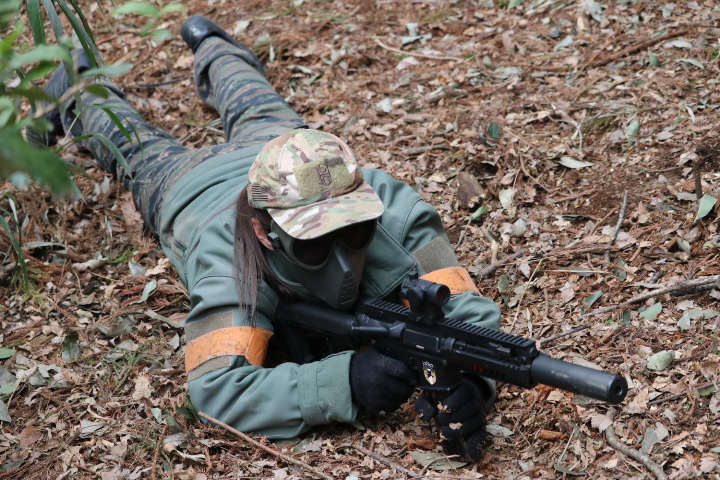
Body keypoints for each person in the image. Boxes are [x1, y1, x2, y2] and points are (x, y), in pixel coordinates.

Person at [33, 16, 501, 458]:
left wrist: (473, 381)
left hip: (281, 152)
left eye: (354, 231)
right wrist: (346, 383)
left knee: (256, 102)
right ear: (263, 231)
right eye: (313, 242)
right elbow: (217, 389)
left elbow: (465, 312)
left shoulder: (391, 208)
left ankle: (212, 44)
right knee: (135, 148)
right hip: (191, 184)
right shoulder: (228, 257)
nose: (342, 261)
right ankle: (78, 87)